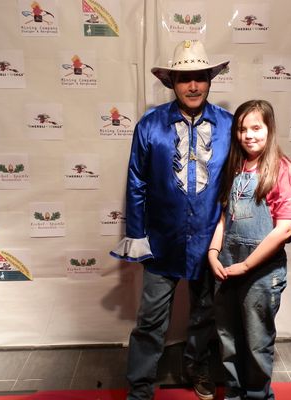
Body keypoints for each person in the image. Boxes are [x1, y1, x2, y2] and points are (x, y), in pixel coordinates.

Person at [110, 40, 233, 400]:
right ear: (172, 83)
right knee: (150, 320)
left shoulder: (229, 126)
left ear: (210, 80)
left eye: (200, 77)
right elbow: (136, 183)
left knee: (206, 313)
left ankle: (196, 366)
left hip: (210, 242)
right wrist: (137, 236)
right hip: (161, 241)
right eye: (184, 79)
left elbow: (238, 183)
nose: (193, 86)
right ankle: (140, 388)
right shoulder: (149, 126)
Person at [207, 100, 291, 400]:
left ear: (269, 129)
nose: (248, 135)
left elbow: (284, 229)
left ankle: (258, 396)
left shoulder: (284, 170)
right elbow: (225, 216)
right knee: (228, 338)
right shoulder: (235, 167)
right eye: (242, 129)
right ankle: (234, 395)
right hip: (227, 265)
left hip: (260, 272)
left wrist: (247, 266)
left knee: (256, 342)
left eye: (256, 128)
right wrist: (213, 251)